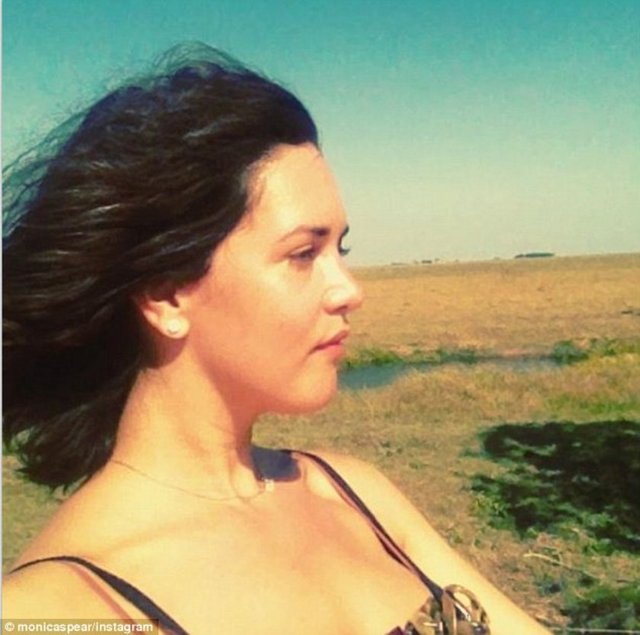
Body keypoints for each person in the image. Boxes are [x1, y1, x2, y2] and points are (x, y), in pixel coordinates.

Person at [2, 44, 550, 634]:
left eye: (340, 248)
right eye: (303, 253)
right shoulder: (54, 610)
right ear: (166, 295)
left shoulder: (354, 494)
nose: (349, 290)